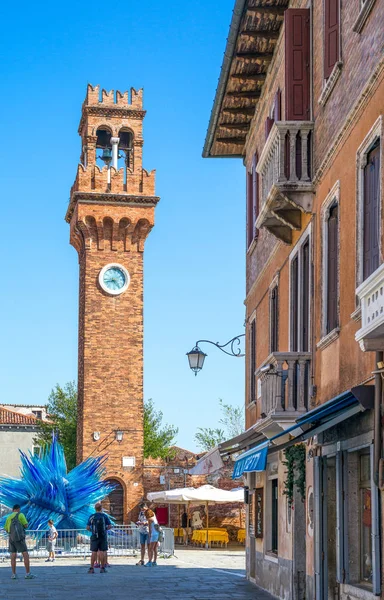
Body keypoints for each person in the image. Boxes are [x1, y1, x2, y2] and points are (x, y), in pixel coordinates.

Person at [4, 504, 35, 580]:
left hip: (11, 538)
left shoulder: (8, 517)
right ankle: (27, 573)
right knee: (25, 554)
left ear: (13, 509)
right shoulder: (20, 515)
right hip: (19, 539)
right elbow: (26, 525)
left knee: (13, 556)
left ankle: (14, 574)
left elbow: (6, 529)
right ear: (18, 509)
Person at [86, 503, 112, 574]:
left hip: (94, 536)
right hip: (103, 536)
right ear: (101, 508)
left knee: (94, 552)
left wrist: (93, 531)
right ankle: (102, 568)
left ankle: (91, 568)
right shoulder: (104, 516)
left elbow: (87, 527)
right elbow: (110, 526)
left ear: (95, 508)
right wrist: (104, 529)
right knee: (102, 552)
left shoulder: (92, 516)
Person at [136, 502, 149, 566]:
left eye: (143, 509)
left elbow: (151, 521)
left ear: (146, 507)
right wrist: (139, 522)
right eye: (141, 509)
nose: (142, 510)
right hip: (141, 531)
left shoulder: (149, 513)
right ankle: (142, 560)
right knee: (142, 546)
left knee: (149, 546)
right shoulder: (141, 513)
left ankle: (150, 560)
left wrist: (145, 523)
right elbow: (139, 519)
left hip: (148, 531)